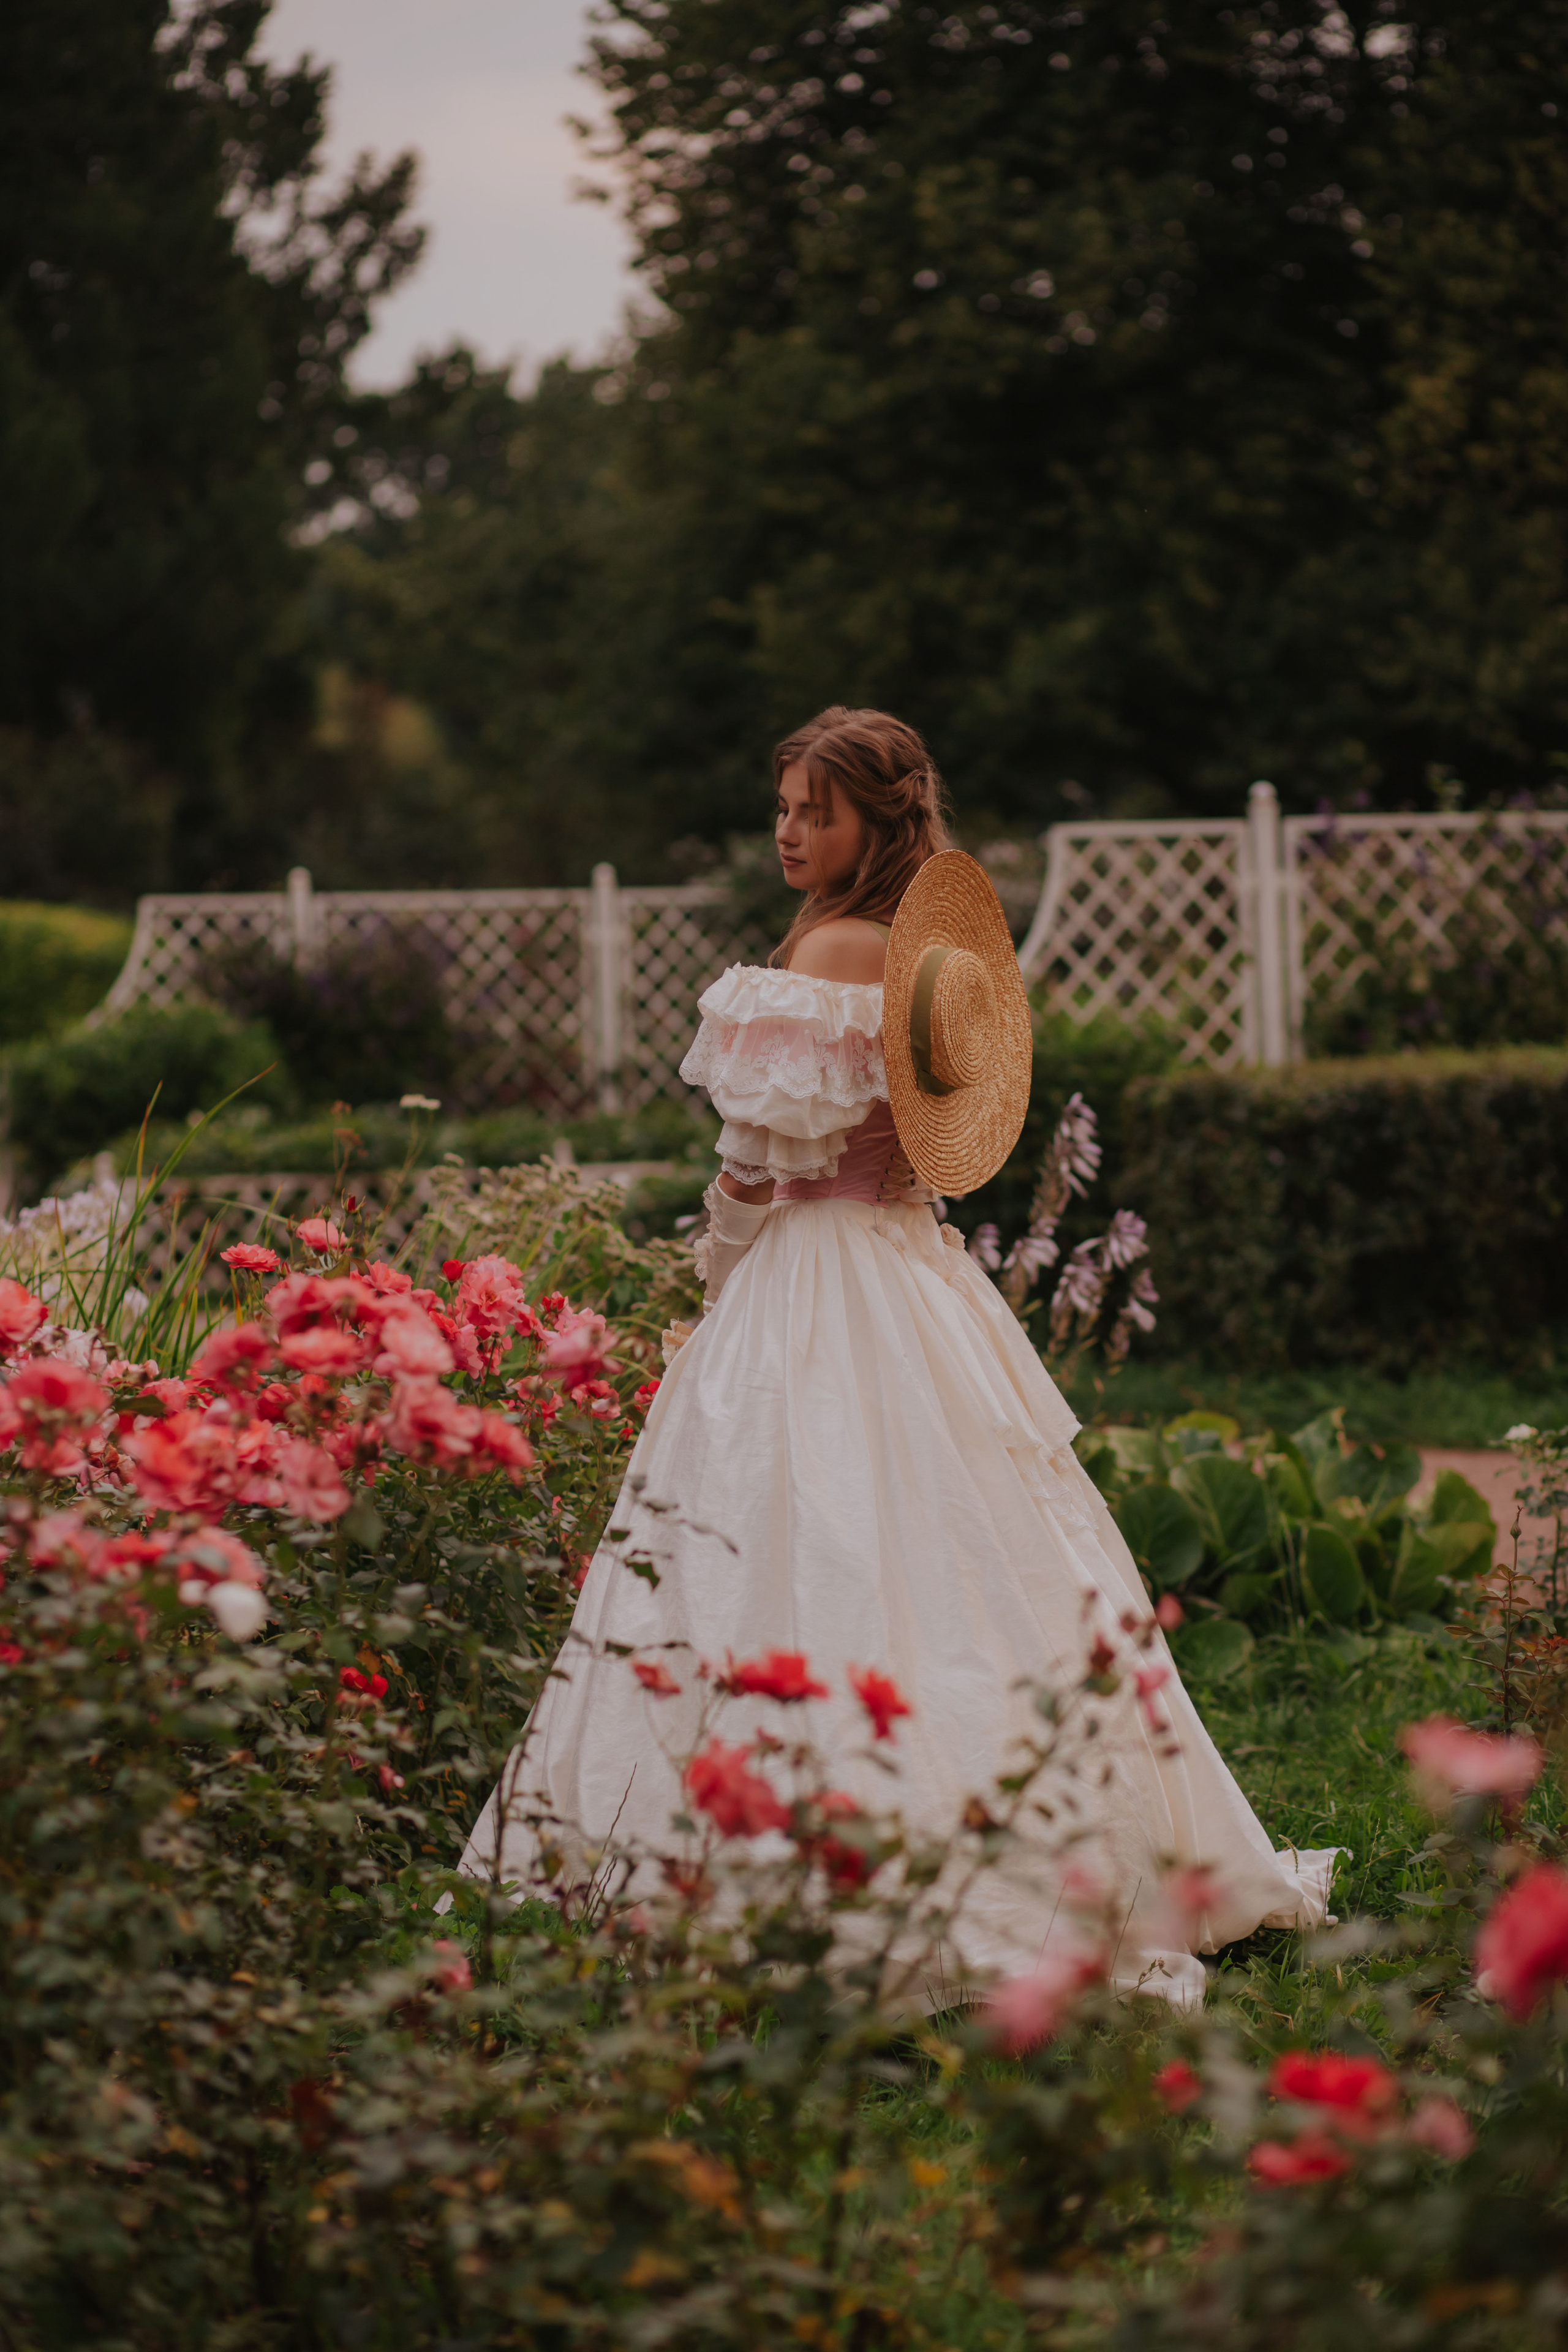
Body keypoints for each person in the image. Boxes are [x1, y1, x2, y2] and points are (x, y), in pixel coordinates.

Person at [458, 706, 1336, 2007]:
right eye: (782, 809)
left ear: (876, 821)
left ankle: (766, 1859)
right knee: (966, 1552)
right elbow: (922, 1148)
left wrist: (715, 1276)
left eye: (813, 813)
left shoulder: (825, 950)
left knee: (788, 1537)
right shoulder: (923, 962)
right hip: (910, 1269)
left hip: (814, 1277)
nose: (787, 833)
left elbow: (756, 1167)